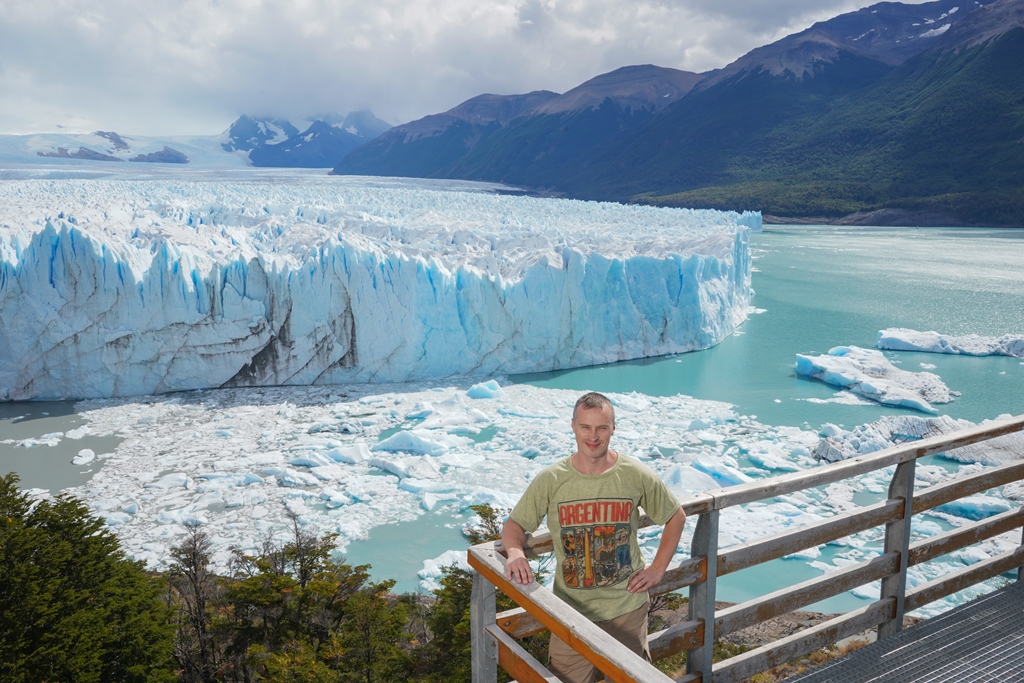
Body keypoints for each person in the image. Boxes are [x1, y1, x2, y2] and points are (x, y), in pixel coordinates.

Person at [502, 391, 687, 683]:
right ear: (573, 426)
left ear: (613, 428)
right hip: (570, 613)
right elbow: (514, 525)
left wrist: (657, 569)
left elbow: (675, 516)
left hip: (627, 609)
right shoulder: (552, 479)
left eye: (601, 427)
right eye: (586, 427)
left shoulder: (634, 474)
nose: (593, 436)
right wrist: (515, 552)